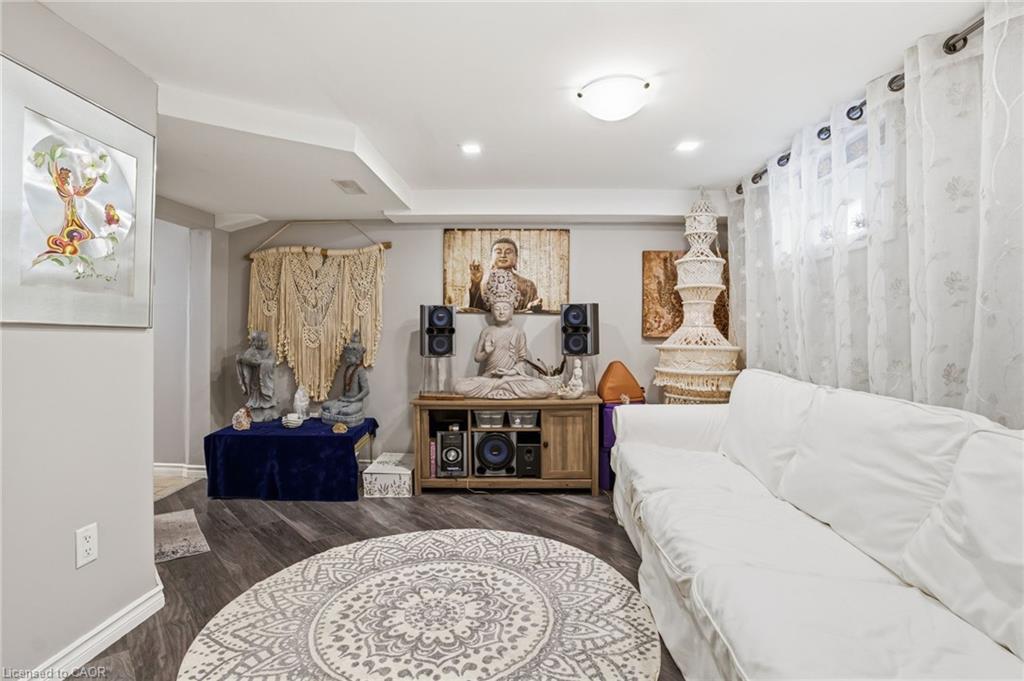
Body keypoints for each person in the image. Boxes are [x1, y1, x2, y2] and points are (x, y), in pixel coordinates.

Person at [454, 271, 552, 399]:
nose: (501, 312)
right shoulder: (487, 331)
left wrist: (510, 373)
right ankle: (501, 384)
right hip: (490, 377)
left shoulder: (518, 332)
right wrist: (487, 352)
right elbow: (478, 358)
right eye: (497, 309)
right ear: (492, 310)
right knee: (459, 387)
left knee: (543, 388)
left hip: (512, 378)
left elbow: (522, 361)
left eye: (505, 309)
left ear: (512, 311)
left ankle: (501, 383)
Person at [467, 237, 543, 312]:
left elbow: (532, 312)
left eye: (508, 252)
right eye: (498, 252)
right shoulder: (482, 282)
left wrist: (533, 306)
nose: (503, 255)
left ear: (516, 257)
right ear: (491, 257)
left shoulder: (528, 285)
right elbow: (474, 312)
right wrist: (475, 285)